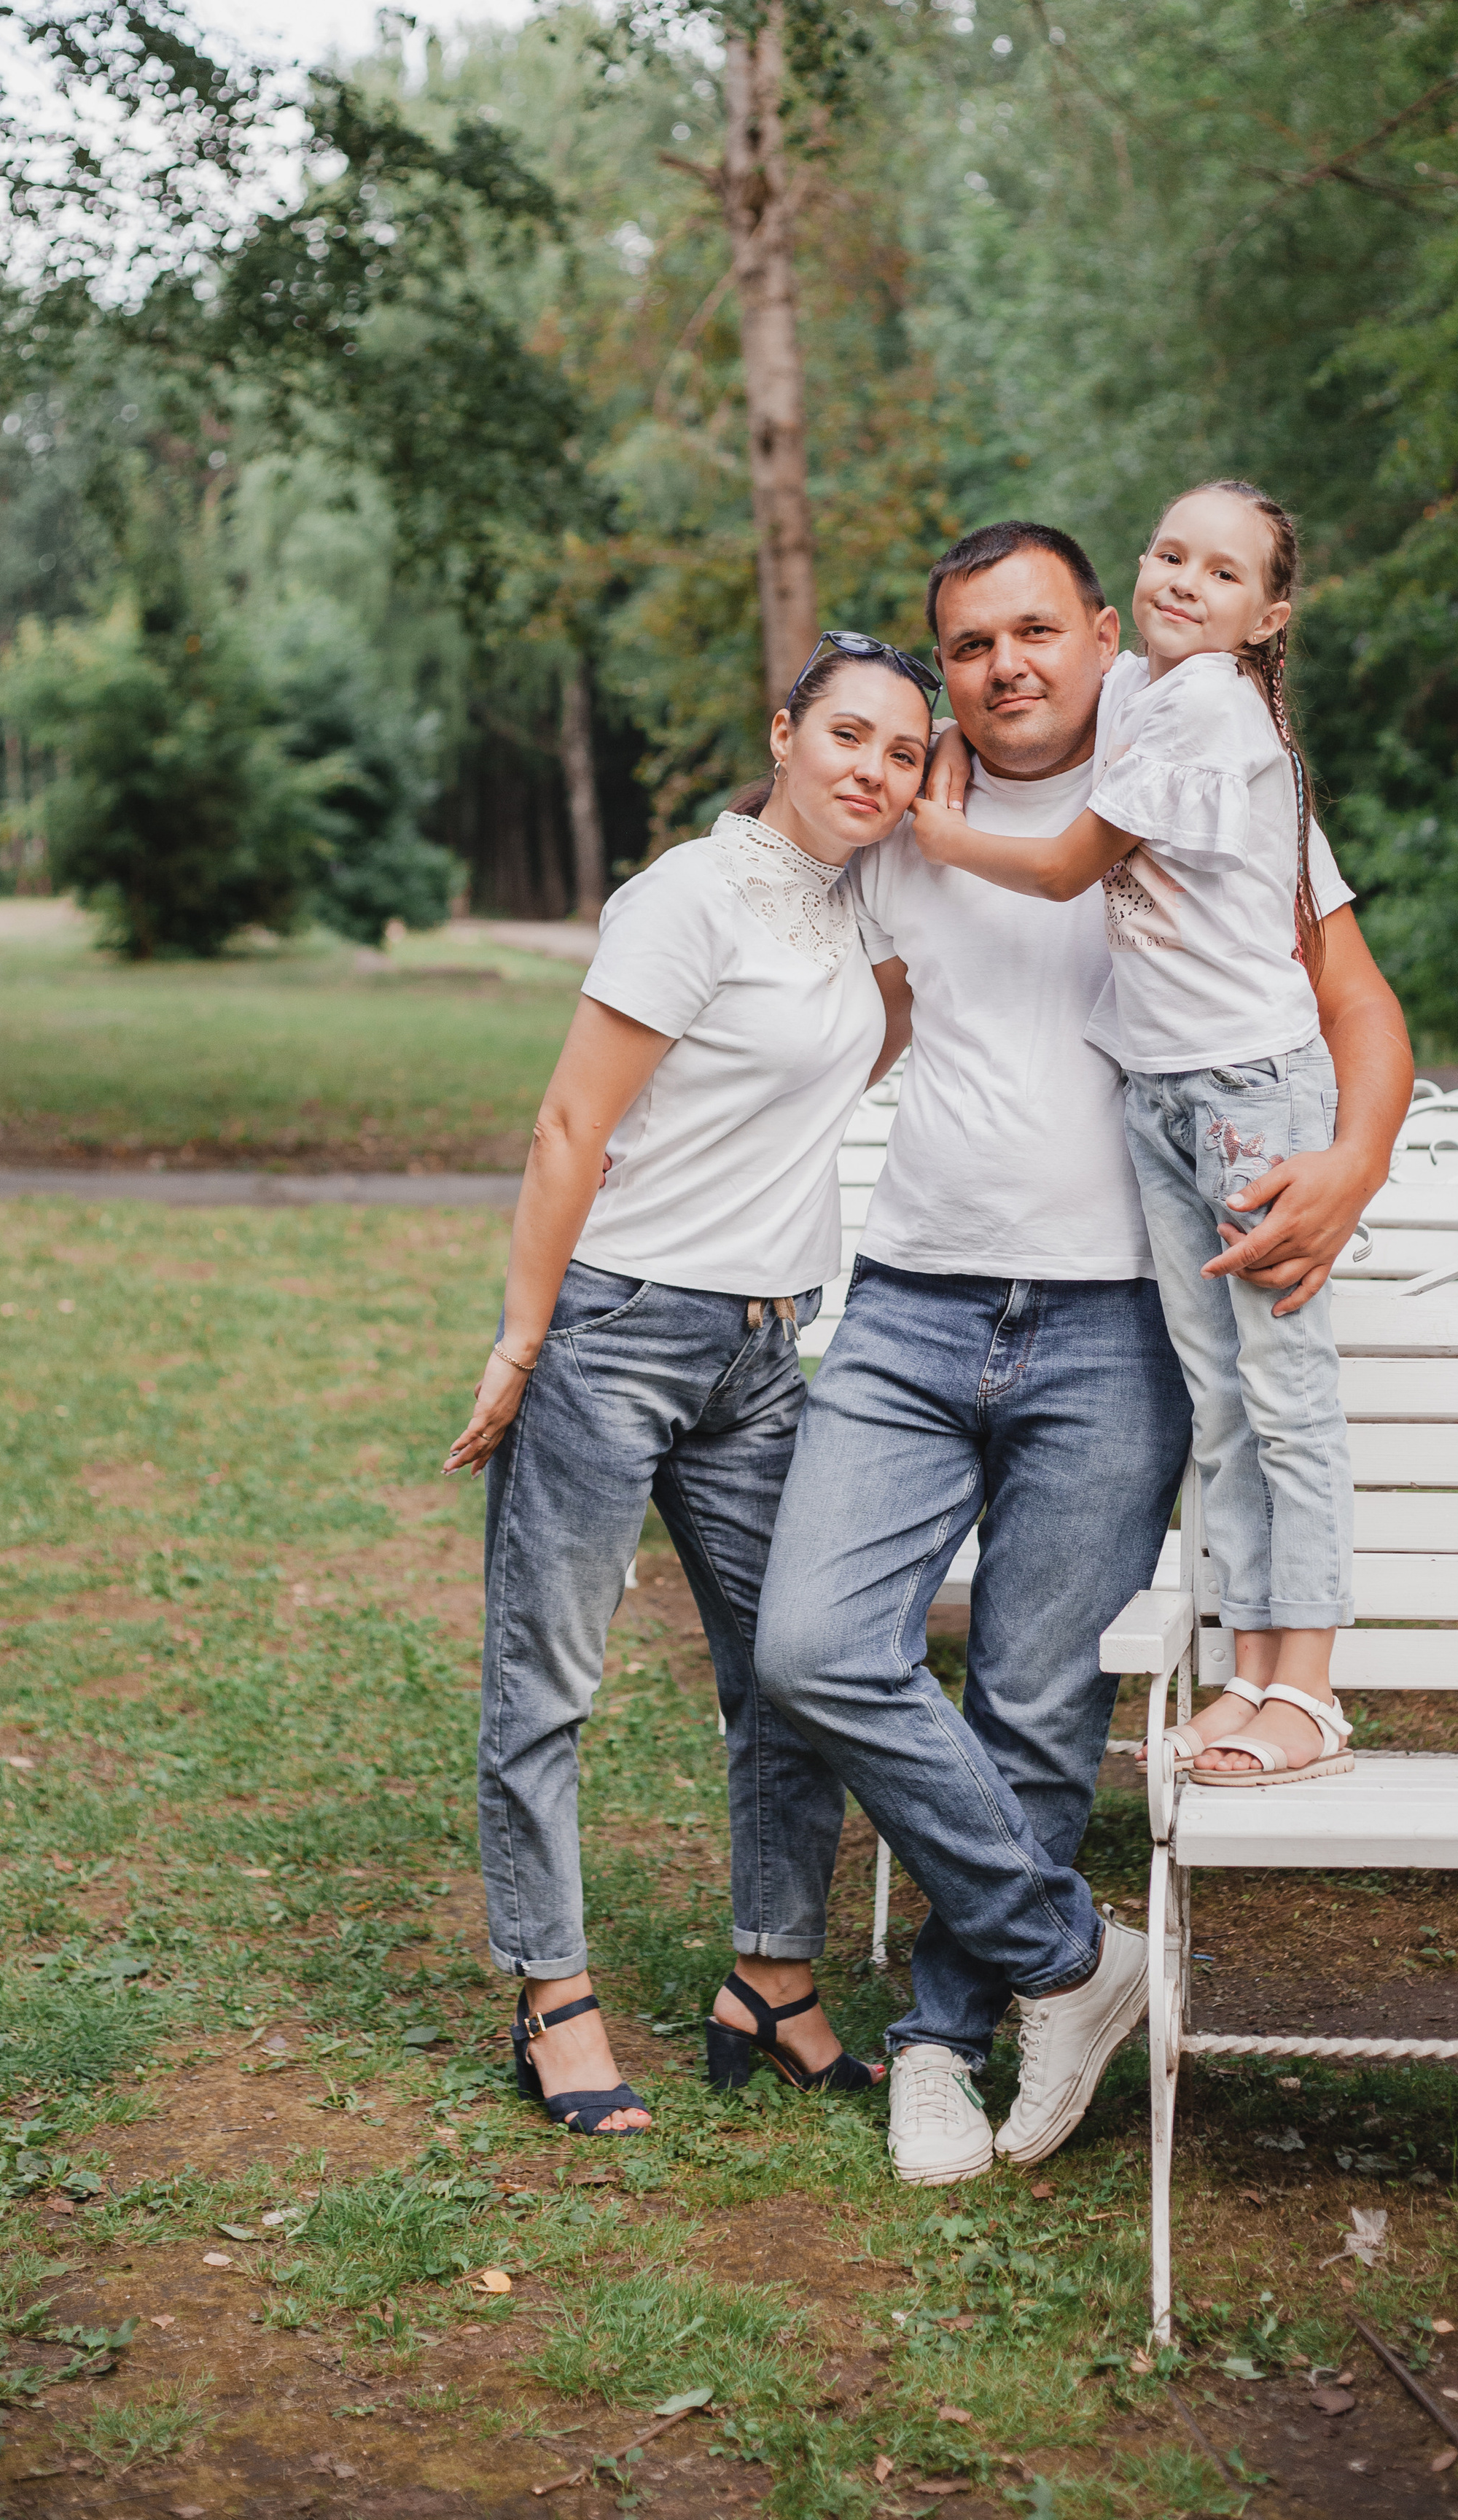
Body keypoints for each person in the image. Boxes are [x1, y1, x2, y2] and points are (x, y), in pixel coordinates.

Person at [756, 521, 1411, 2185]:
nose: (1005, 668)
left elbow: (1356, 1006)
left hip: (1118, 1323)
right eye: (969, 646)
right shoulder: (903, 802)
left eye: (1035, 632)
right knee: (814, 1647)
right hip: (907, 1307)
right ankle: (1075, 1957)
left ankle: (938, 2039)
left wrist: (1349, 1163)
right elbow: (758, 947)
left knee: (1037, 1701)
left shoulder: (1198, 767)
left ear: (1101, 633)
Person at [443, 634, 935, 2134]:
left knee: (791, 1669)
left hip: (765, 1349)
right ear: (783, 734)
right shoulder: (687, 895)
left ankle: (769, 1980)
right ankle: (552, 2000)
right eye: (846, 735)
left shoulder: (859, 909)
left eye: (906, 752)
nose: (873, 769)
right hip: (616, 1331)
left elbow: (871, 1035)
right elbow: (566, 1128)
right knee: (550, 1681)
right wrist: (526, 1337)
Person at [911, 481, 1360, 1789]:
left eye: (1224, 573)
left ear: (1269, 614)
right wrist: (944, 746)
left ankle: (1311, 1688)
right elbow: (1006, 691)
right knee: (1221, 1404)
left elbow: (1062, 864)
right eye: (1170, 552)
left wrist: (933, 830)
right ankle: (1250, 1671)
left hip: (1244, 1091)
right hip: (1164, 1088)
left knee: (1285, 1396)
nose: (1185, 580)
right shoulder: (1152, 696)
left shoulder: (1213, 707)